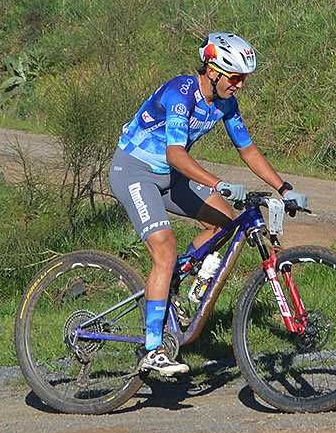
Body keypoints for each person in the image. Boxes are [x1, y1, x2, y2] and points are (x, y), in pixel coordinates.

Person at [109, 32, 294, 377]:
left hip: (169, 176)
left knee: (226, 222)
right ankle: (152, 350)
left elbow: (248, 150)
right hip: (135, 171)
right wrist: (218, 184)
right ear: (213, 70)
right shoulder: (181, 93)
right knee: (164, 248)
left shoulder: (225, 103)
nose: (240, 85)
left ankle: (175, 281)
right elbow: (175, 153)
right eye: (235, 77)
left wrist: (283, 187)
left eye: (244, 79)